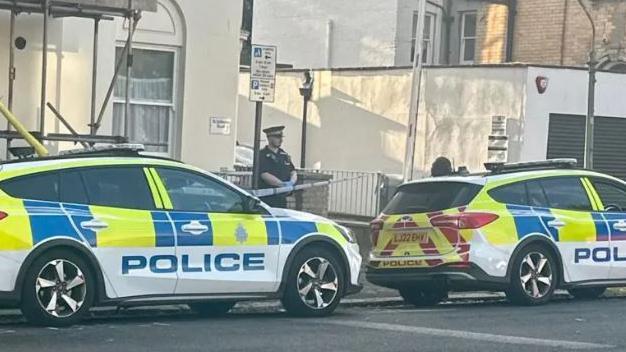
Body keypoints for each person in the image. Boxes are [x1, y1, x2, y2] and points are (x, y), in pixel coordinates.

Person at [257, 126, 298, 208]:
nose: (281, 140)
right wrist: (282, 185)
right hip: (268, 198)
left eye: (281, 137)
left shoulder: (284, 155)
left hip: (282, 199)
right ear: (269, 138)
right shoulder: (262, 155)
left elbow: (293, 171)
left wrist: (291, 182)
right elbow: (264, 174)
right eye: (277, 137)